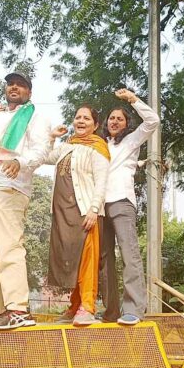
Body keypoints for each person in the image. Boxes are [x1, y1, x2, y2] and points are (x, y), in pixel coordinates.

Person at [0, 72, 51, 330]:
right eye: (11, 84)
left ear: (29, 92)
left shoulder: (35, 118)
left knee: (9, 248)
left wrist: (20, 161)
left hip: (12, 187)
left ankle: (18, 309)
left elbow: (41, 149)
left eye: (21, 85)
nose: (14, 87)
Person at [99, 89, 160, 325]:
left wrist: (133, 100)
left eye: (120, 119)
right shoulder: (99, 144)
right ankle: (111, 310)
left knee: (129, 254)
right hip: (99, 205)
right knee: (104, 260)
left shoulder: (132, 141)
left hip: (122, 202)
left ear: (126, 124)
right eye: (112, 118)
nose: (115, 121)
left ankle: (133, 309)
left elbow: (153, 121)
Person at [46, 105, 110, 326]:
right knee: (70, 259)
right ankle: (74, 306)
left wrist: (94, 209)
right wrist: (52, 137)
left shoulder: (98, 148)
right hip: (64, 214)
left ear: (96, 125)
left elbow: (101, 183)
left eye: (86, 118)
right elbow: (46, 156)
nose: (81, 121)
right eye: (77, 117)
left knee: (86, 259)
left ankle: (87, 307)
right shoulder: (67, 146)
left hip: (85, 212)